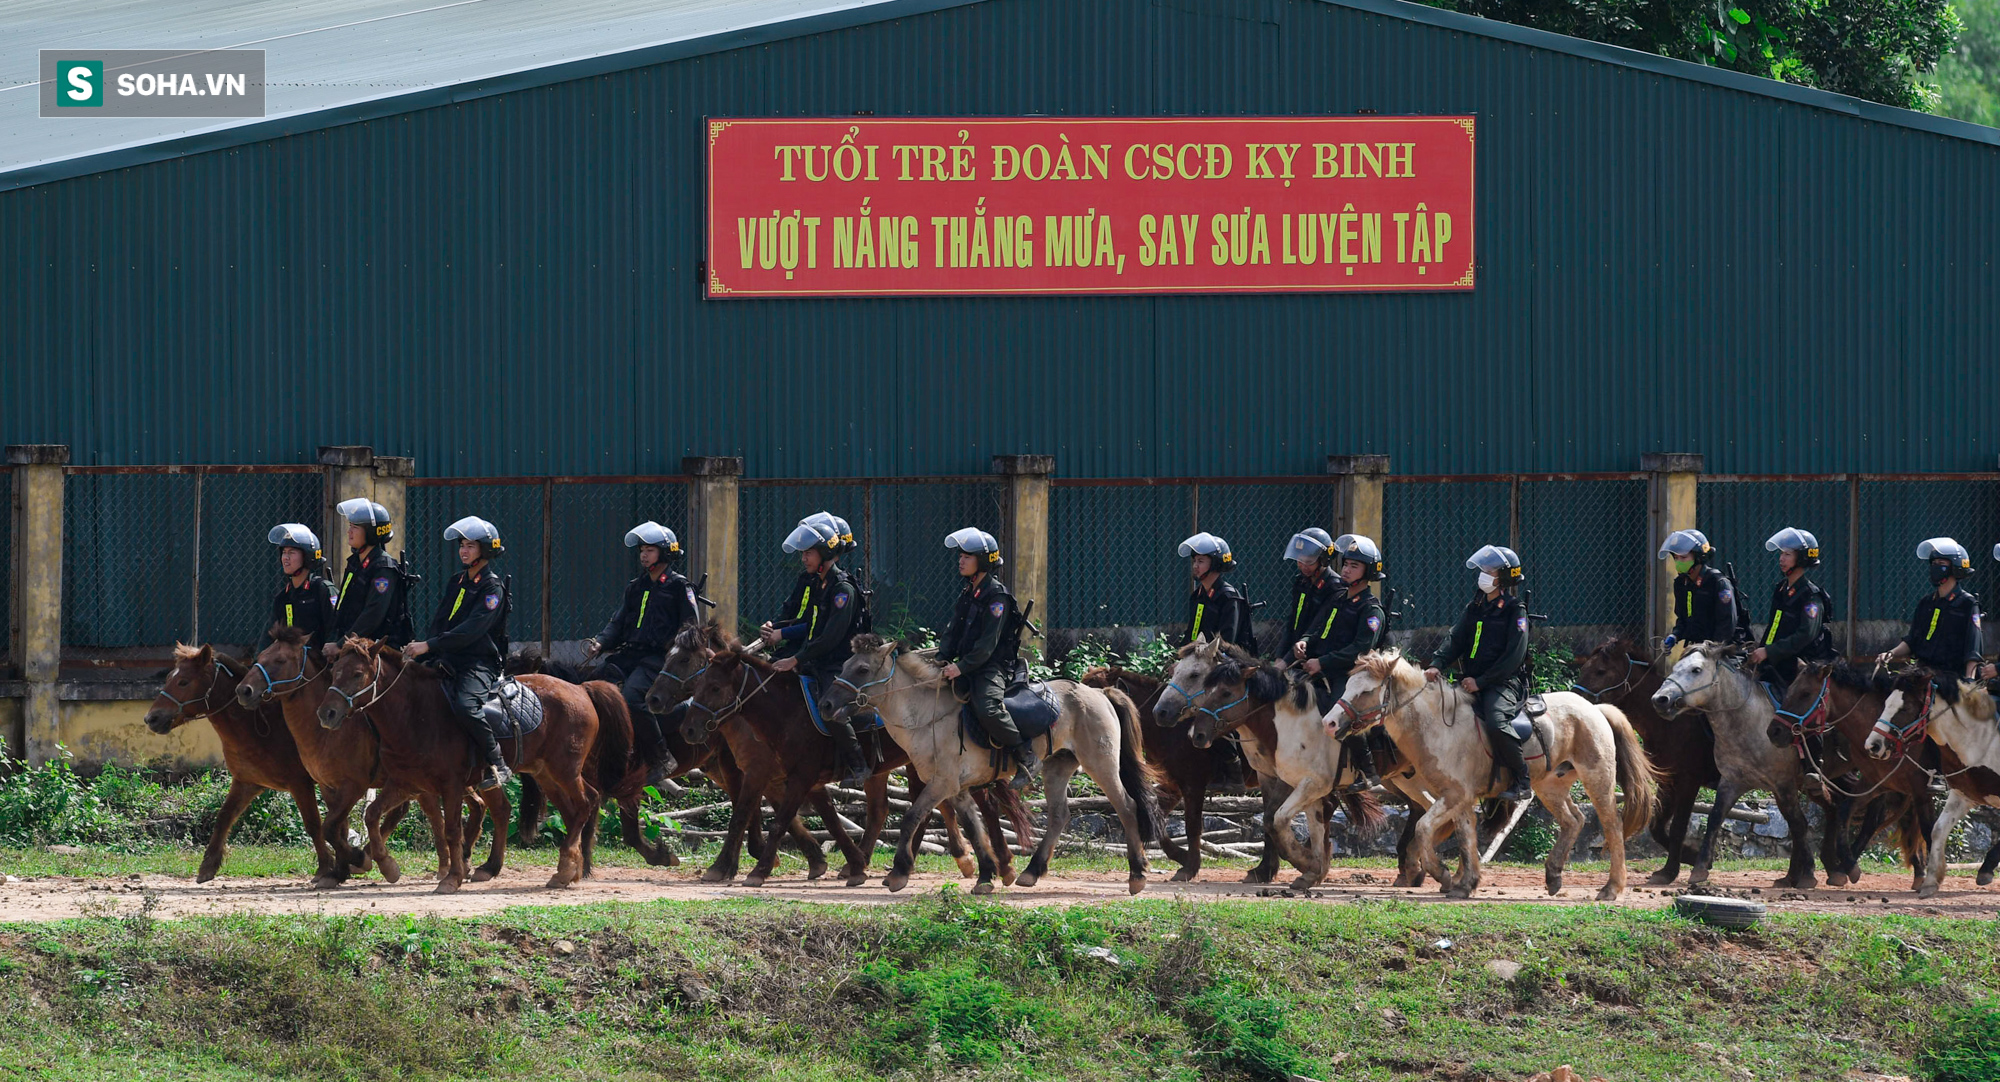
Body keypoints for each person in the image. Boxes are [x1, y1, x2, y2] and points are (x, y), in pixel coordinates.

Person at [583, 521, 697, 790]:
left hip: (661, 659)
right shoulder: (636, 586)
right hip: (629, 656)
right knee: (591, 690)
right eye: (642, 550)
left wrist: (676, 656)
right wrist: (600, 643)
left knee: (631, 700)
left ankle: (661, 758)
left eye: (650, 550)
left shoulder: (680, 587)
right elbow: (618, 623)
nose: (644, 555)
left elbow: (691, 627)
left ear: (666, 553)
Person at [758, 517, 868, 786]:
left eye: (809, 552)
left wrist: (796, 658)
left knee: (830, 708)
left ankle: (858, 765)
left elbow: (830, 638)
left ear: (825, 554)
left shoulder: (842, 589)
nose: (804, 558)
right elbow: (805, 623)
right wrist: (778, 628)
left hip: (838, 662)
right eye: (803, 552)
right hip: (815, 656)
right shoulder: (818, 583)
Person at [405, 516, 513, 791]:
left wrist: (430, 645)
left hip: (477, 662)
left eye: (471, 546)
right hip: (448, 656)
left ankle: (498, 762)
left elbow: (472, 630)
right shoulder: (457, 580)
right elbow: (441, 621)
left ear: (485, 550)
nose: (463, 551)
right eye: (462, 545)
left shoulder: (492, 587)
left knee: (467, 705)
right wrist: (423, 650)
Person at [935, 527, 1040, 790]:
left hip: (991, 666)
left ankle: (1025, 754)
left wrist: (960, 667)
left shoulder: (997, 597)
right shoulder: (969, 591)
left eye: (967, 556)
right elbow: (953, 631)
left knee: (988, 707)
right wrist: (940, 659)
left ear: (982, 561)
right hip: (969, 662)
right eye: (960, 555)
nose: (960, 560)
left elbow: (987, 646)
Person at [1427, 545, 1533, 802]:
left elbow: (1514, 657)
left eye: (1490, 570)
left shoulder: (1514, 609)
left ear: (1505, 577)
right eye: (1483, 569)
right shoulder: (1474, 606)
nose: (1483, 574)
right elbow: (1456, 638)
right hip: (1470, 681)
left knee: (1496, 723)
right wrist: (1436, 664)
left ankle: (1522, 780)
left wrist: (1482, 681)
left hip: (1502, 683)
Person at [1301, 533, 1388, 790]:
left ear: (1368, 571)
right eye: (1346, 564)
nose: (1346, 570)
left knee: (1342, 711)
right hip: (1321, 667)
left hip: (1350, 676)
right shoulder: (1338, 599)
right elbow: (1318, 629)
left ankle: (1368, 770)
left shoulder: (1372, 610)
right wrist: (1305, 641)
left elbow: (1360, 650)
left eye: (1354, 566)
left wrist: (1323, 662)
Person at [1877, 538, 1982, 683]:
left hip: (1950, 678)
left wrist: (1969, 680)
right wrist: (1890, 654)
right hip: (1922, 674)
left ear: (1955, 567)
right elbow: (1912, 640)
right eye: (1933, 563)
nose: (1935, 567)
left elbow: (1973, 648)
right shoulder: (1926, 603)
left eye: (1941, 564)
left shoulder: (1967, 604)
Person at [1749, 528, 1835, 692]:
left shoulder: (1811, 596)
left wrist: (1769, 651)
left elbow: (1805, 635)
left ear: (1801, 558)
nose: (1781, 559)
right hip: (1778, 661)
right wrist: (1762, 653)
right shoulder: (1781, 589)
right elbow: (1773, 626)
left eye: (1787, 554)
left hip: (1800, 667)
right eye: (1781, 554)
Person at [328, 497, 413, 654]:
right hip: (354, 643)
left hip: (376, 649)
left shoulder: (383, 568)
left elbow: (373, 615)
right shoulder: (355, 563)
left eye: (355, 527)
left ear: (371, 533)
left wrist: (341, 644)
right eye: (350, 526)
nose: (349, 532)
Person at [256, 523, 338, 654]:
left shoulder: (322, 590)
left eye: (291, 552)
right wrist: (257, 663)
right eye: (284, 552)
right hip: (294, 665)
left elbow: (336, 628)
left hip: (322, 664)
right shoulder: (283, 598)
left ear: (307, 557)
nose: (285, 558)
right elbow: (268, 636)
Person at [1176, 532, 1256, 653]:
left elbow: (1227, 642)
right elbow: (1192, 634)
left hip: (1225, 662)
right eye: (1194, 561)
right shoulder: (1198, 595)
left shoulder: (1228, 598)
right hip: (1199, 659)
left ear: (1215, 564)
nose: (1195, 566)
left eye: (1200, 561)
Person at [1659, 529, 1738, 650]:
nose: (1678, 562)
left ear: (1699, 557)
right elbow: (1683, 620)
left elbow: (1727, 624)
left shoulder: (1718, 583)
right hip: (1695, 649)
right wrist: (1674, 636)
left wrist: (1712, 650)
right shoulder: (1680, 584)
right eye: (1675, 558)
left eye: (1683, 557)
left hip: (1717, 650)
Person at [1279, 528, 1342, 661]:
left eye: (1308, 561)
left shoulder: (1335, 587)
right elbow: (1292, 621)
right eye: (1299, 561)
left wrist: (1286, 661)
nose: (1303, 566)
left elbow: (1318, 625)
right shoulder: (1301, 582)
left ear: (1323, 560)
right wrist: (1280, 655)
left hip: (1318, 656)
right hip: (1296, 652)